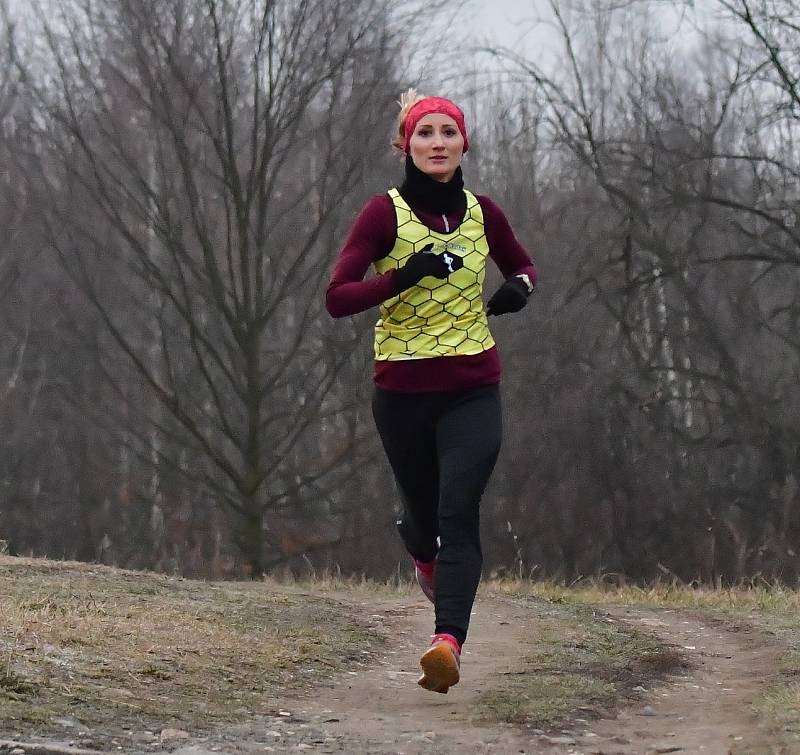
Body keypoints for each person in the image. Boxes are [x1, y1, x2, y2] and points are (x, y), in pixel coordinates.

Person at [325, 90, 537, 694]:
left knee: (458, 510)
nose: (437, 143)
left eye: (448, 133)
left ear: (464, 143)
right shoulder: (382, 215)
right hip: (403, 394)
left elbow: (523, 265)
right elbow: (337, 297)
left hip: (473, 388)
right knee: (424, 520)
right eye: (425, 134)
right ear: (405, 145)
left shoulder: (483, 212)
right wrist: (405, 274)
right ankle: (422, 556)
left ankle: (447, 643)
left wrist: (519, 288)